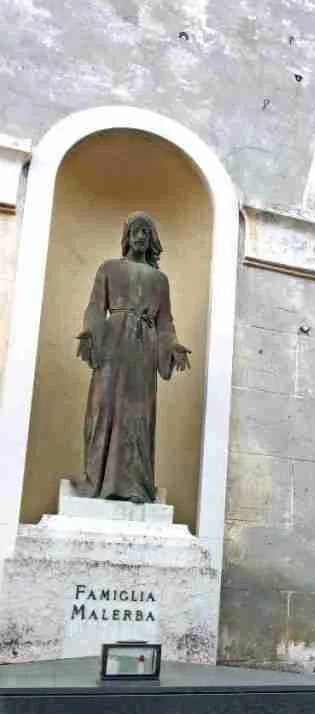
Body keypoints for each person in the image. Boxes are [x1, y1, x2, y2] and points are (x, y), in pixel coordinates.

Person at [73, 212, 190, 503]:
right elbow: (95, 307)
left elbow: (165, 323)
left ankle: (133, 484)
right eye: (136, 231)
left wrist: (172, 346)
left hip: (143, 351)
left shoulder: (160, 281)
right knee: (105, 407)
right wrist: (90, 333)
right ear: (127, 236)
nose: (141, 237)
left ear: (152, 241)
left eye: (146, 233)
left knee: (138, 415)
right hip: (113, 345)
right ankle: (98, 479)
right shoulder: (109, 268)